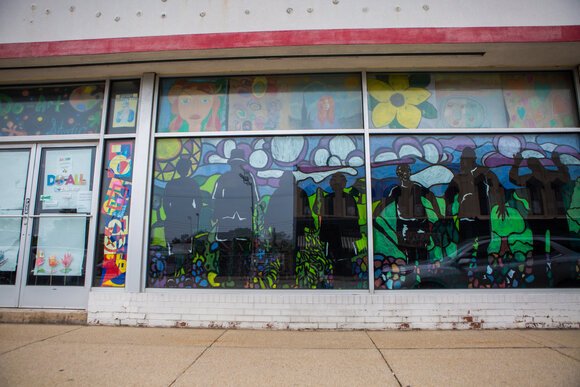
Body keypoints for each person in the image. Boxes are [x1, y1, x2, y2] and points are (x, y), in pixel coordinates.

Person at [445, 147, 506, 259]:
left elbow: (498, 188)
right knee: (465, 246)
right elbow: (448, 194)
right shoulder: (459, 177)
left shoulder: (485, 173)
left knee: (484, 243)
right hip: (465, 216)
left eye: (464, 159)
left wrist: (501, 204)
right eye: (461, 159)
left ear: (472, 159)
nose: (461, 162)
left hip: (482, 216)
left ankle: (480, 269)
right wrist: (448, 207)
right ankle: (464, 271)